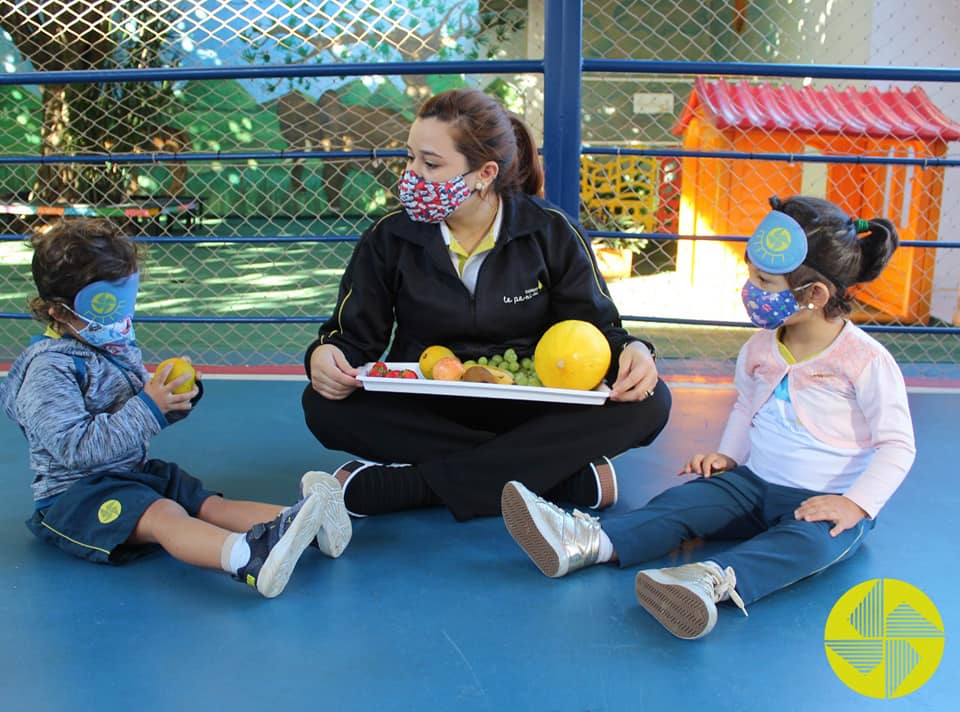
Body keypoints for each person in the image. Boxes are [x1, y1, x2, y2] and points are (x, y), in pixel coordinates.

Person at [500, 195, 916, 639]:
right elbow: (745, 405)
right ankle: (589, 541)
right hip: (753, 482)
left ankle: (707, 582)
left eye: (764, 280)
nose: (750, 288)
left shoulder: (865, 361)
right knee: (686, 501)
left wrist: (855, 504)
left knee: (805, 545)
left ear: (814, 294)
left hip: (824, 499)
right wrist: (728, 457)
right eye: (750, 274)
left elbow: (897, 445)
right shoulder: (760, 346)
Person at [302, 88, 671, 522]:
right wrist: (326, 356)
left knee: (652, 402)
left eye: (431, 163)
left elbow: (596, 331)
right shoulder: (389, 237)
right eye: (409, 158)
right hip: (428, 406)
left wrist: (635, 353)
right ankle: (554, 478)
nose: (412, 175)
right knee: (321, 404)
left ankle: (410, 487)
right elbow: (353, 338)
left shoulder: (550, 232)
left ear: (484, 173)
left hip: (530, 408)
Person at [0, 218, 352, 599]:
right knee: (164, 515)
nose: (121, 319)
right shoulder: (47, 370)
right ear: (58, 312)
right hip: (75, 497)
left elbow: (138, 417)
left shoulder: (109, 344)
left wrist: (174, 400)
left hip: (132, 472)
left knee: (206, 503)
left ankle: (307, 525)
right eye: (107, 306)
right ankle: (247, 558)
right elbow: (77, 448)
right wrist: (150, 406)